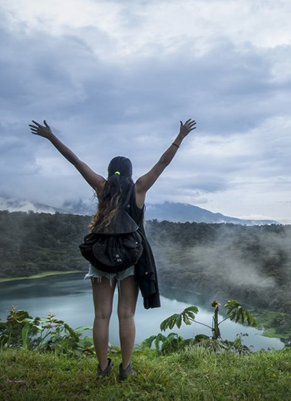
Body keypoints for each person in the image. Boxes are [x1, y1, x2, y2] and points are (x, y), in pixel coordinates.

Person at [29, 118, 196, 379]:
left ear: (109, 172)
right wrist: (180, 136)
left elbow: (76, 162)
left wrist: (51, 137)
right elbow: (163, 163)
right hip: (130, 258)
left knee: (101, 316)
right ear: (129, 171)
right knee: (126, 315)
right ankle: (126, 368)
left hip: (101, 258)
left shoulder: (102, 186)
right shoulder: (139, 187)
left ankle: (103, 368)